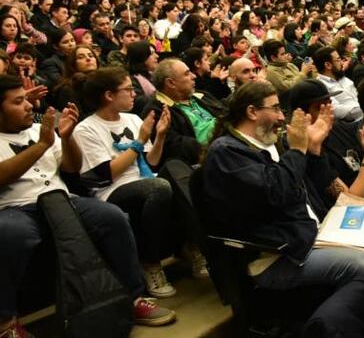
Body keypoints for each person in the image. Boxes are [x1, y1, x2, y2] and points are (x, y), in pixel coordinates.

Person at [0, 76, 176, 335]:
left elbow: (70, 167)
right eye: (18, 102)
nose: (29, 106)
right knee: (8, 235)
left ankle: (134, 297)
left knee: (112, 218)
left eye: (27, 99)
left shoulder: (42, 130)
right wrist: (41, 145)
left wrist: (67, 137)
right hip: (16, 207)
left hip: (62, 200)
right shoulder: (40, 136)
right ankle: (6, 322)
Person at [201, 81, 364, 291]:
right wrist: (298, 150)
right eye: (275, 108)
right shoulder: (226, 152)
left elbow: (323, 188)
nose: (282, 117)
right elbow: (277, 191)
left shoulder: (272, 143)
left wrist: (314, 151)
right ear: (252, 111)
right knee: (360, 263)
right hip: (277, 256)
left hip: (309, 235)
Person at [73, 67, 177, 298]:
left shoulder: (132, 118)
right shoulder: (86, 129)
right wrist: (139, 140)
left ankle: (193, 248)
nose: (134, 94)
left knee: (182, 174)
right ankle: (151, 263)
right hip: (112, 191)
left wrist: (159, 136)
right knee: (159, 188)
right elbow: (107, 174)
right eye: (128, 89)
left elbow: (151, 161)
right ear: (109, 95)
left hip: (144, 180)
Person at [144, 59, 225, 167]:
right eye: (187, 74)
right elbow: (176, 147)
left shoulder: (200, 95)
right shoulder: (156, 111)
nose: (193, 76)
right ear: (171, 83)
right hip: (210, 157)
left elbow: (226, 111)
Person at [313, 47, 363, 122]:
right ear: (328, 65)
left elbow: (359, 96)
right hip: (352, 124)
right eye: (338, 59)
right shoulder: (320, 86)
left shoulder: (342, 77)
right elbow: (339, 112)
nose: (342, 63)